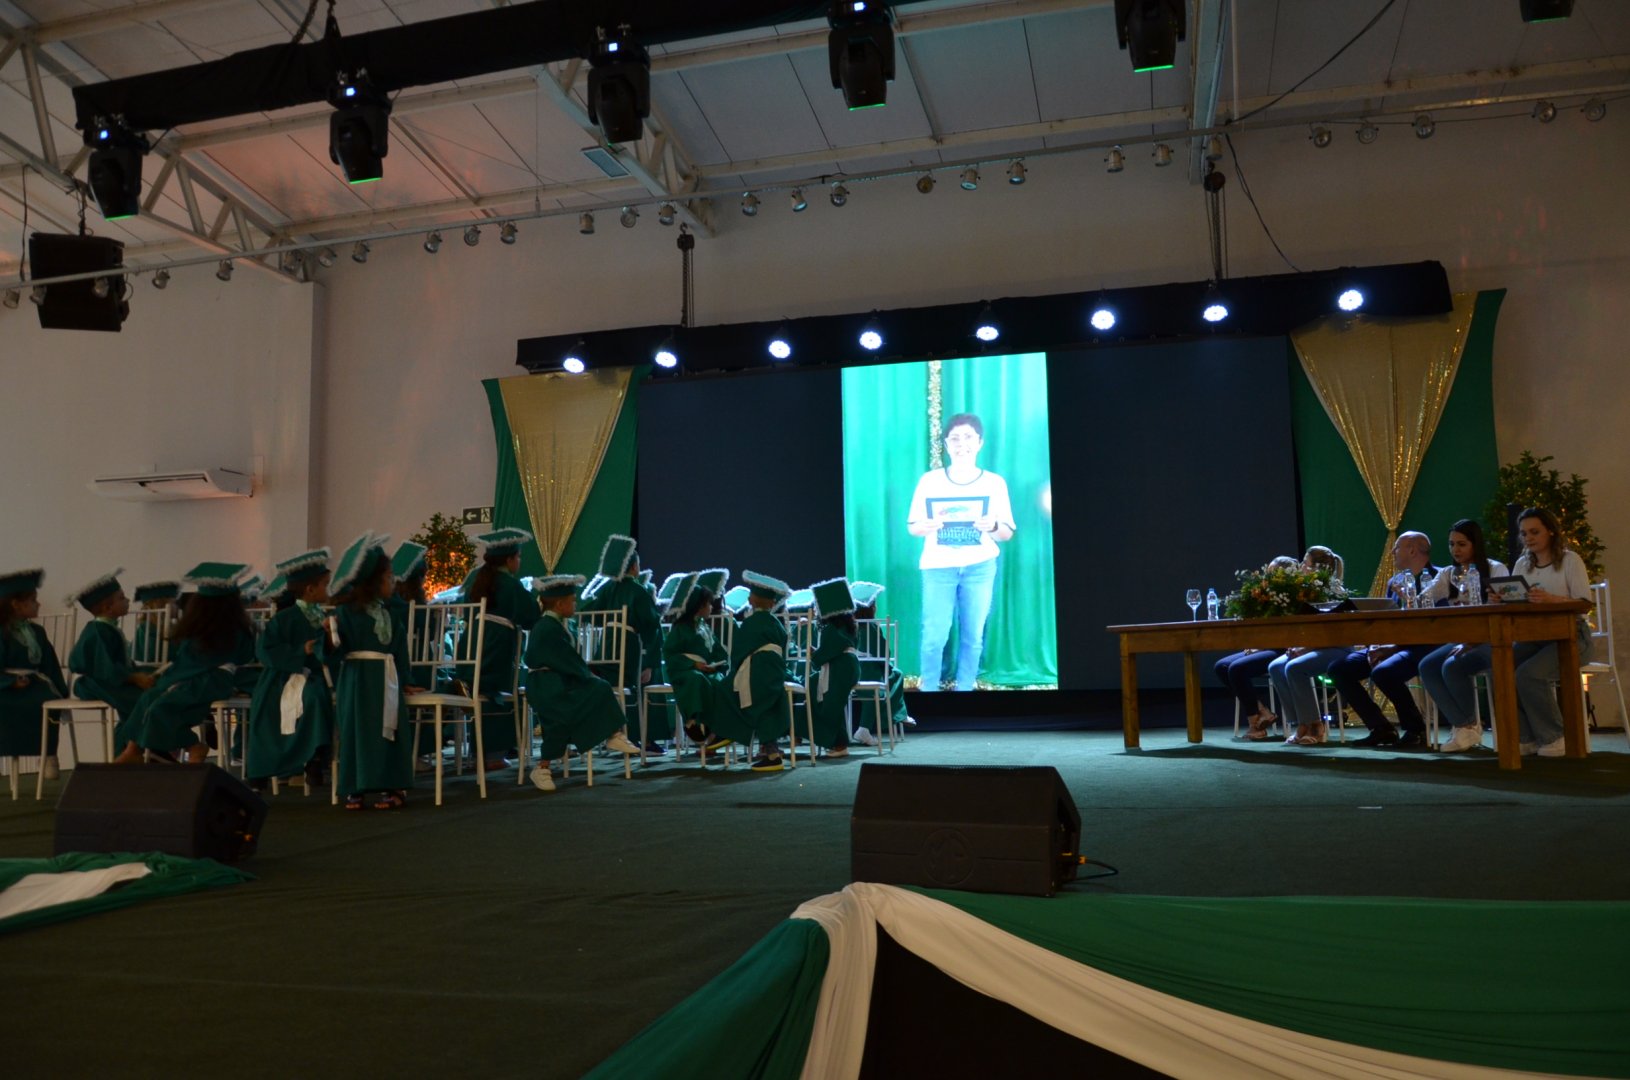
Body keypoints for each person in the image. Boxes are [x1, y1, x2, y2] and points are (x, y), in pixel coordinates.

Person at [907, 412, 1015, 691]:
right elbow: (913, 527)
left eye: (968, 437)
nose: (961, 444)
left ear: (979, 442)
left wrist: (992, 525)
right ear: (946, 444)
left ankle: (965, 691)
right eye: (954, 438)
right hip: (938, 567)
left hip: (980, 567)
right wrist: (925, 526)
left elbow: (1006, 533)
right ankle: (929, 693)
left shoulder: (994, 483)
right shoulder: (929, 481)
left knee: (973, 636)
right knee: (934, 636)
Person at [114, 563, 257, 765]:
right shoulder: (199, 626)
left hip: (211, 679)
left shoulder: (233, 628)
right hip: (191, 676)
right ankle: (133, 748)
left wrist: (175, 677)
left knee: (163, 706)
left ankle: (193, 745)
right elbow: (186, 659)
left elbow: (217, 660)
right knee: (148, 698)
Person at [330, 533, 423, 810]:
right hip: (357, 680)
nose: (393, 582)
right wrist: (329, 634)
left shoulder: (391, 613)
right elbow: (335, 650)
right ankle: (355, 787)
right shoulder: (346, 612)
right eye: (388, 577)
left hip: (386, 678)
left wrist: (406, 680)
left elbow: (400, 650)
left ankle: (392, 785)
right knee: (356, 730)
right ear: (373, 581)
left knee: (388, 730)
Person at [524, 575, 641, 793]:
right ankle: (542, 767)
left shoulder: (556, 624)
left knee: (599, 688)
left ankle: (613, 734)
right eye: (572, 600)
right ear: (560, 604)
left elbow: (568, 660)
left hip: (559, 680)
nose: (576, 604)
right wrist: (585, 674)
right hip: (546, 684)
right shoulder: (547, 627)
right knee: (569, 710)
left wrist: (585, 675)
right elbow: (564, 659)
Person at [1325, 532, 1441, 749]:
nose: (1392, 552)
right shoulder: (1395, 581)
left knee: (1384, 672)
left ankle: (1415, 730)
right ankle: (1381, 727)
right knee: (1339, 669)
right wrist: (1375, 645)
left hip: (1424, 646)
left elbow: (1435, 626)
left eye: (1397, 547)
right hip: (1391, 645)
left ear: (1412, 550)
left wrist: (1393, 647)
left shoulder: (1438, 578)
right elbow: (1386, 620)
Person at [1416, 520, 1509, 753]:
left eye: (1461, 544)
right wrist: (1412, 595)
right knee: (1427, 666)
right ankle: (1463, 725)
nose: (1455, 550)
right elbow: (1425, 597)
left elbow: (1507, 606)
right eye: (1451, 544)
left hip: (1492, 639)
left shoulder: (1495, 569)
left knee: (1452, 666)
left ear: (1475, 544)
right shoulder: (1448, 573)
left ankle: (1468, 724)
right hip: (1461, 639)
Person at [1507, 507, 1594, 756]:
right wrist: (1504, 597)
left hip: (1572, 636)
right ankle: (1527, 736)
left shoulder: (1569, 560)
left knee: (1528, 675)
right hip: (1535, 636)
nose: (1528, 538)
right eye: (1524, 534)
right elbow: (1517, 603)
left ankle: (1555, 735)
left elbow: (1584, 604)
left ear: (1551, 532)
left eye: (1534, 532)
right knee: (1500, 668)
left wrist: (1551, 599)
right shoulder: (1522, 564)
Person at [246, 548, 335, 790]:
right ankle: (268, 772)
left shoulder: (324, 617)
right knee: (304, 699)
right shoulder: (285, 619)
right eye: (325, 585)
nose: (328, 590)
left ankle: (316, 757)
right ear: (310, 589)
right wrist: (301, 650)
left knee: (316, 695)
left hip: (314, 676)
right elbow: (266, 651)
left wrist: (328, 641)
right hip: (282, 678)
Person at [459, 527, 541, 773]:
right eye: (518, 557)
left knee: (479, 686)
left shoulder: (475, 579)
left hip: (469, 646)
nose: (519, 561)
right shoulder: (510, 584)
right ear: (509, 559)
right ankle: (493, 754)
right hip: (495, 648)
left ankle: (477, 750)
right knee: (502, 690)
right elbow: (531, 616)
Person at [578, 534, 664, 751]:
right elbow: (652, 625)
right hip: (627, 651)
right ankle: (636, 737)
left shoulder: (607, 589)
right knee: (635, 686)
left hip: (603, 652)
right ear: (634, 568)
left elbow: (589, 614)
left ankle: (609, 733)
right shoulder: (638, 591)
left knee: (610, 685)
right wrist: (650, 663)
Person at [1267, 546, 1350, 746]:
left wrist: (1305, 649)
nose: (1301, 566)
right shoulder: (1306, 591)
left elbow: (1334, 634)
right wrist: (1297, 645)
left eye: (1305, 562)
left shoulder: (1334, 591)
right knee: (1276, 667)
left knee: (1295, 667)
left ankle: (1315, 725)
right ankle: (1301, 723)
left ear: (1317, 569)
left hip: (1337, 647)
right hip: (1312, 647)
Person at [1215, 556, 1299, 740]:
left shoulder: (1293, 597)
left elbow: (1287, 634)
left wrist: (1260, 647)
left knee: (1237, 668)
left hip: (1281, 649)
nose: (1266, 578)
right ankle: (1262, 711)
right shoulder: (1265, 596)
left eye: (1272, 573)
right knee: (1221, 666)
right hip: (1263, 646)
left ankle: (1255, 722)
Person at [66, 568, 157, 737]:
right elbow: (104, 667)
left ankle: (134, 742)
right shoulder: (98, 632)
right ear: (108, 608)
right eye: (121, 598)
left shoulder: (109, 628)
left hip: (112, 678)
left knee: (155, 680)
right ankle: (129, 743)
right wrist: (135, 678)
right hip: (95, 683)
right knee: (143, 700)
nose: (127, 600)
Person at [719, 571, 794, 772]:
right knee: (766, 703)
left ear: (754, 600)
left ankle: (725, 731)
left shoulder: (751, 622)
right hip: (775, 672)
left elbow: (739, 651)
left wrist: (735, 669)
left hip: (758, 671)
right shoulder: (776, 622)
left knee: (726, 689)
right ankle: (771, 751)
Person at [0, 569, 66, 777]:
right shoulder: (2, 631)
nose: (38, 604)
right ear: (15, 604)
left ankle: (48, 753)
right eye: (32, 600)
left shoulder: (37, 632)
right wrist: (10, 681)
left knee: (48, 701)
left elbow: (49, 665)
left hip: (34, 683)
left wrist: (60, 690)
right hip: (7, 687)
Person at [661, 584, 730, 750]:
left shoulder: (704, 626)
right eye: (708, 604)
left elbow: (718, 651)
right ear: (699, 606)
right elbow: (670, 653)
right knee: (697, 679)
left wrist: (716, 665)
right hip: (684, 671)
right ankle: (694, 722)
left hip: (705, 670)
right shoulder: (681, 628)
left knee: (721, 682)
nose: (711, 607)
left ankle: (717, 729)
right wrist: (693, 664)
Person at [850, 581, 910, 746]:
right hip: (868, 673)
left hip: (851, 671)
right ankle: (895, 715)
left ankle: (899, 714)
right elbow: (883, 654)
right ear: (871, 608)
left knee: (893, 674)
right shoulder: (871, 626)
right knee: (895, 674)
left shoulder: (849, 626)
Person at [807, 578, 861, 758]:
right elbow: (835, 648)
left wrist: (814, 655)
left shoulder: (831, 628)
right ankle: (835, 741)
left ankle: (839, 743)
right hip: (849, 666)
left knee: (827, 699)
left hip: (840, 669)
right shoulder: (850, 626)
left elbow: (827, 651)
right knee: (822, 690)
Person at [130, 580, 181, 666]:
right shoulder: (147, 627)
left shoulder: (169, 626)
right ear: (161, 605)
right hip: (148, 669)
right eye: (174, 603)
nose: (178, 607)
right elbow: (152, 654)